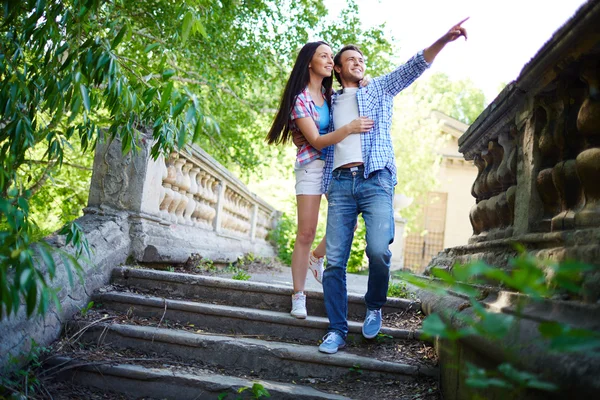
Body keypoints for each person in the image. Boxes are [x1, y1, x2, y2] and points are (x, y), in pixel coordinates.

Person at [318, 19, 469, 354]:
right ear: (339, 70)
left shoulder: (379, 89)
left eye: (362, 60)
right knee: (335, 262)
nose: (359, 63)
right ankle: (337, 330)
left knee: (378, 250)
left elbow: (414, 66)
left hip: (376, 179)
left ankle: (374, 306)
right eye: (351, 60)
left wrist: (444, 38)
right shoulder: (328, 101)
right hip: (341, 183)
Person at [266, 41, 374, 319]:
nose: (329, 60)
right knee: (306, 232)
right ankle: (298, 295)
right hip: (312, 167)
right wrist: (349, 128)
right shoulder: (300, 99)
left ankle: (317, 257)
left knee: (347, 227)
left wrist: (366, 82)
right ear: (309, 63)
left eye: (330, 56)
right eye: (323, 56)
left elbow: (354, 100)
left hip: (336, 167)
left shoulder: (333, 97)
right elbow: (314, 140)